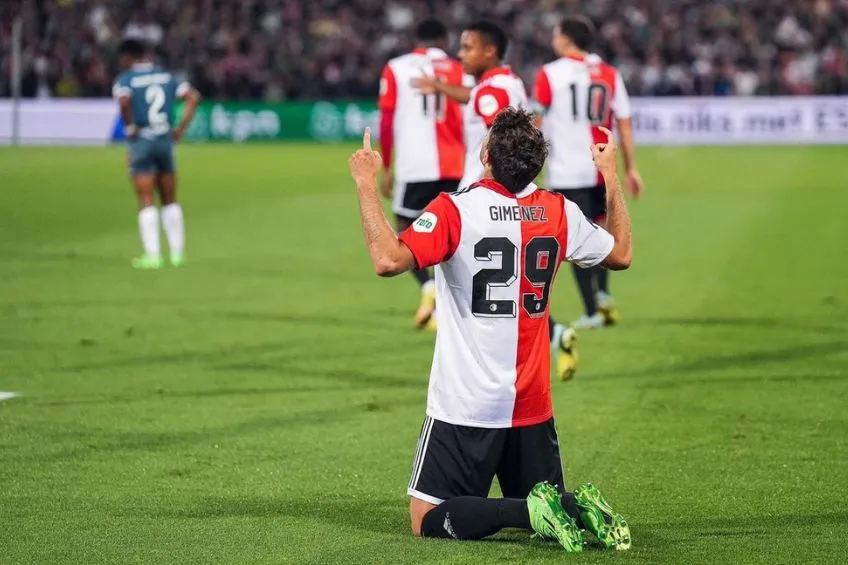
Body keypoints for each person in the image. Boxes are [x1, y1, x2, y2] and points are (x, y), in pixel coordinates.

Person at [348, 108, 633, 551]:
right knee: (550, 507)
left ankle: (527, 511)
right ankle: (571, 506)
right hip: (532, 404)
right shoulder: (559, 211)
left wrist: (366, 183)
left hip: (467, 405)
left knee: (426, 518)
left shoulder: (455, 210)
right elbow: (620, 254)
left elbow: (388, 259)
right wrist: (610, 176)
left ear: (486, 155)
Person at [415, 21, 578, 380]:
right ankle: (555, 335)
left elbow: (500, 139)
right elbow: (478, 100)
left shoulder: (490, 91)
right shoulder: (508, 81)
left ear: (489, 51)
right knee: (504, 286)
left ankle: (471, 358)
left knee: (470, 285)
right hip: (505, 197)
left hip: (481, 200)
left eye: (468, 47)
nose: (460, 54)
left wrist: (481, 189)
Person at [533, 15, 644, 328]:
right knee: (602, 231)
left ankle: (592, 310)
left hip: (568, 169)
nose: (553, 40)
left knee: (576, 239)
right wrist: (631, 168)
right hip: (602, 166)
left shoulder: (550, 73)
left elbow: (537, 120)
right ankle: (604, 296)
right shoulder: (609, 72)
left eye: (556, 35)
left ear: (566, 39)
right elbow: (624, 122)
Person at [378, 19, 467, 330]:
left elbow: (386, 120)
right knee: (453, 235)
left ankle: (428, 286)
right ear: (443, 39)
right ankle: (450, 303)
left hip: (414, 164)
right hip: (456, 164)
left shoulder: (397, 67)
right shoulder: (459, 68)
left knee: (405, 230)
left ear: (416, 39)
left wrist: (386, 166)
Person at [113, 38, 200, 269]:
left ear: (127, 57)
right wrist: (180, 129)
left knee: (146, 198)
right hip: (164, 140)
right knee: (170, 199)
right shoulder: (166, 76)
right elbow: (193, 98)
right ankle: (177, 255)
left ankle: (153, 256)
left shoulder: (126, 79)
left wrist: (129, 127)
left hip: (142, 139)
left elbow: (124, 101)